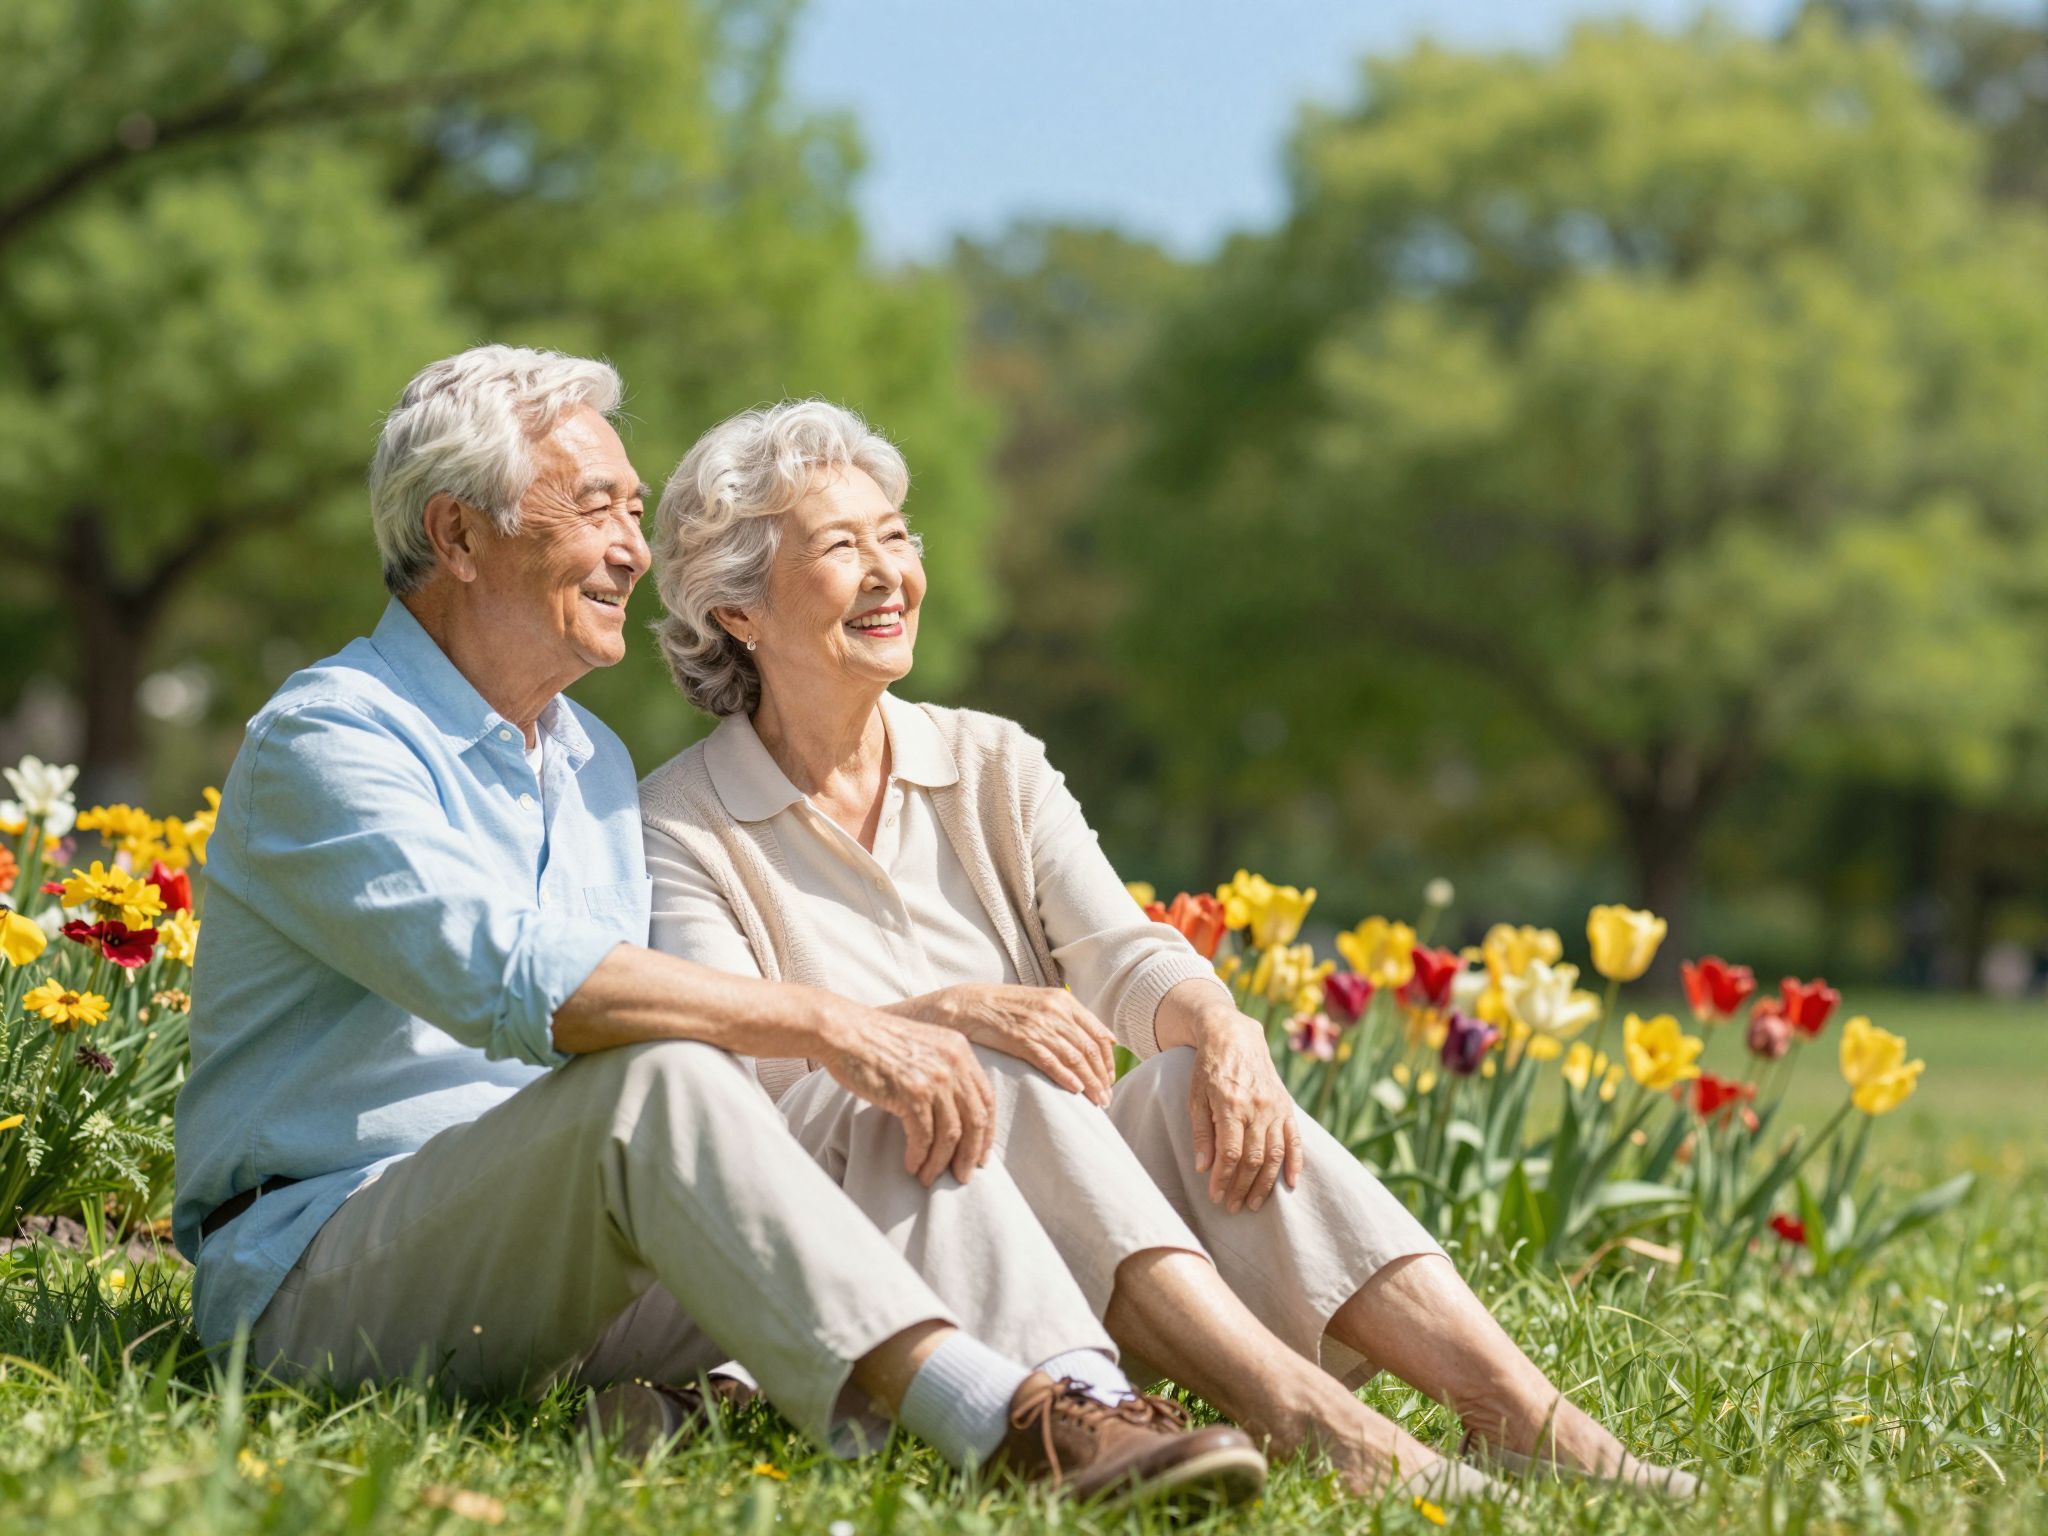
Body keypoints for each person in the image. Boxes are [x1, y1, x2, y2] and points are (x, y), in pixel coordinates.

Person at [170, 346, 1264, 1506]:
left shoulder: (589, 764)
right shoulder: (331, 740)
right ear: (457, 536)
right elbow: (521, 981)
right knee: (664, 1081)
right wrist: (834, 1020)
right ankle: (1000, 1429)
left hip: (571, 1265)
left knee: (884, 1099)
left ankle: (1075, 1397)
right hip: (330, 1276)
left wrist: (882, 1047)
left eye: (634, 511)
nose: (637, 551)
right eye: (596, 509)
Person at [637, 399, 1699, 1501]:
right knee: (993, 1059)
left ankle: (1518, 1416)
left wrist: (1224, 1026)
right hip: (881, 1267)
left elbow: (1119, 951)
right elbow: (737, 1090)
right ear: (737, 611)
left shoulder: (992, 762)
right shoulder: (678, 822)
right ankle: (1310, 1419)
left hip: (1068, 1240)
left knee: (1192, 1076)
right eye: (842, 545)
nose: (888, 571)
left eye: (897, 534)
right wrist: (948, 1020)